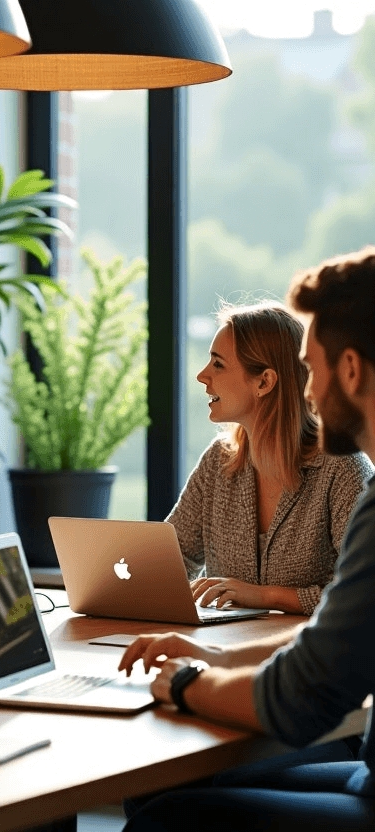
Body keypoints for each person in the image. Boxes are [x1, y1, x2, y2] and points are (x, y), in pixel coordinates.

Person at [118, 246, 375, 831]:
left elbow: (302, 695)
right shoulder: (223, 462)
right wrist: (211, 654)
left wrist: (186, 683)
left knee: (168, 819)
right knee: (165, 789)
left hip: (362, 778)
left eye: (313, 368)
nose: (307, 389)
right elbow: (330, 647)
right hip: (367, 771)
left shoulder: (355, 484)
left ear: (351, 370)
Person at [169, 301, 371, 614]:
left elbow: (363, 595)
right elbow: (171, 561)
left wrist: (265, 596)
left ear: (264, 382)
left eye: (218, 365)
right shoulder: (217, 462)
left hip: (312, 658)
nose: (201, 375)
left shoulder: (342, 467)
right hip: (227, 647)